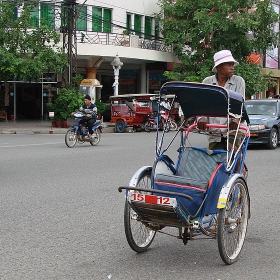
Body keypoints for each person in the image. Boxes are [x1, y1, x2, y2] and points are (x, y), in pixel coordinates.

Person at [197, 49, 246, 150]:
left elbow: (240, 104)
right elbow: (202, 103)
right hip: (215, 129)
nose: (232, 68)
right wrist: (201, 118)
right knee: (214, 158)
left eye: (232, 65)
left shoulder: (239, 81)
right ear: (218, 67)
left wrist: (236, 119)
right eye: (228, 65)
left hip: (233, 127)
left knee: (232, 153)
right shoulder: (207, 81)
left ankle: (237, 164)